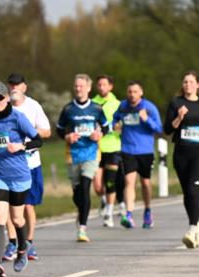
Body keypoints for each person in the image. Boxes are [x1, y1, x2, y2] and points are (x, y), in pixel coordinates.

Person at [0, 82, 40, 277]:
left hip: (19, 175)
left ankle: (22, 249)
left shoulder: (18, 118)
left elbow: (38, 140)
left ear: (6, 98)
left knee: (17, 219)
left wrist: (21, 146)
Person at [163, 71, 199, 249]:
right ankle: (197, 224)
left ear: (198, 84)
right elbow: (167, 130)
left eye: (191, 82)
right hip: (181, 153)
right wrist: (179, 117)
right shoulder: (176, 103)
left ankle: (192, 230)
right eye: (185, 82)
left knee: (193, 191)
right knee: (188, 193)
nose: (188, 85)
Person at [57, 74, 110, 242]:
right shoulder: (68, 109)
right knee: (77, 193)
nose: (78, 89)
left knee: (86, 186)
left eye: (81, 86)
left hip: (91, 153)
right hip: (73, 154)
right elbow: (59, 129)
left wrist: (99, 133)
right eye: (76, 86)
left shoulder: (96, 108)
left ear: (88, 87)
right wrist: (67, 137)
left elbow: (106, 127)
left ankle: (82, 229)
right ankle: (81, 211)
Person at [6, 73, 52, 262]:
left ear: (25, 87)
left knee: (28, 205)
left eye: (18, 84)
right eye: (11, 85)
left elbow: (47, 131)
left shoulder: (33, 106)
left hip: (30, 162)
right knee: (9, 205)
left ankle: (29, 242)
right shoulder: (3, 105)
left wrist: (30, 132)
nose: (14, 88)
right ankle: (12, 243)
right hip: (8, 164)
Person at [113, 81, 163, 229]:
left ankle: (148, 210)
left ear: (141, 93)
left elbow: (159, 128)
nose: (132, 95)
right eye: (129, 92)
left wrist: (146, 120)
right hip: (128, 150)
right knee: (129, 182)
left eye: (135, 92)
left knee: (145, 183)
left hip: (145, 151)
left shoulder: (149, 107)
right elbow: (115, 119)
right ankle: (128, 214)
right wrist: (115, 125)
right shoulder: (123, 106)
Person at [92, 75, 124, 227]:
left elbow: (121, 124)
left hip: (112, 147)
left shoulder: (117, 104)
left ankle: (109, 213)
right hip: (96, 148)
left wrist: (114, 128)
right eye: (99, 85)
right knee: (98, 185)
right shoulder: (92, 103)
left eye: (104, 85)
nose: (101, 87)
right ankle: (104, 200)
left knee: (110, 182)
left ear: (110, 86)